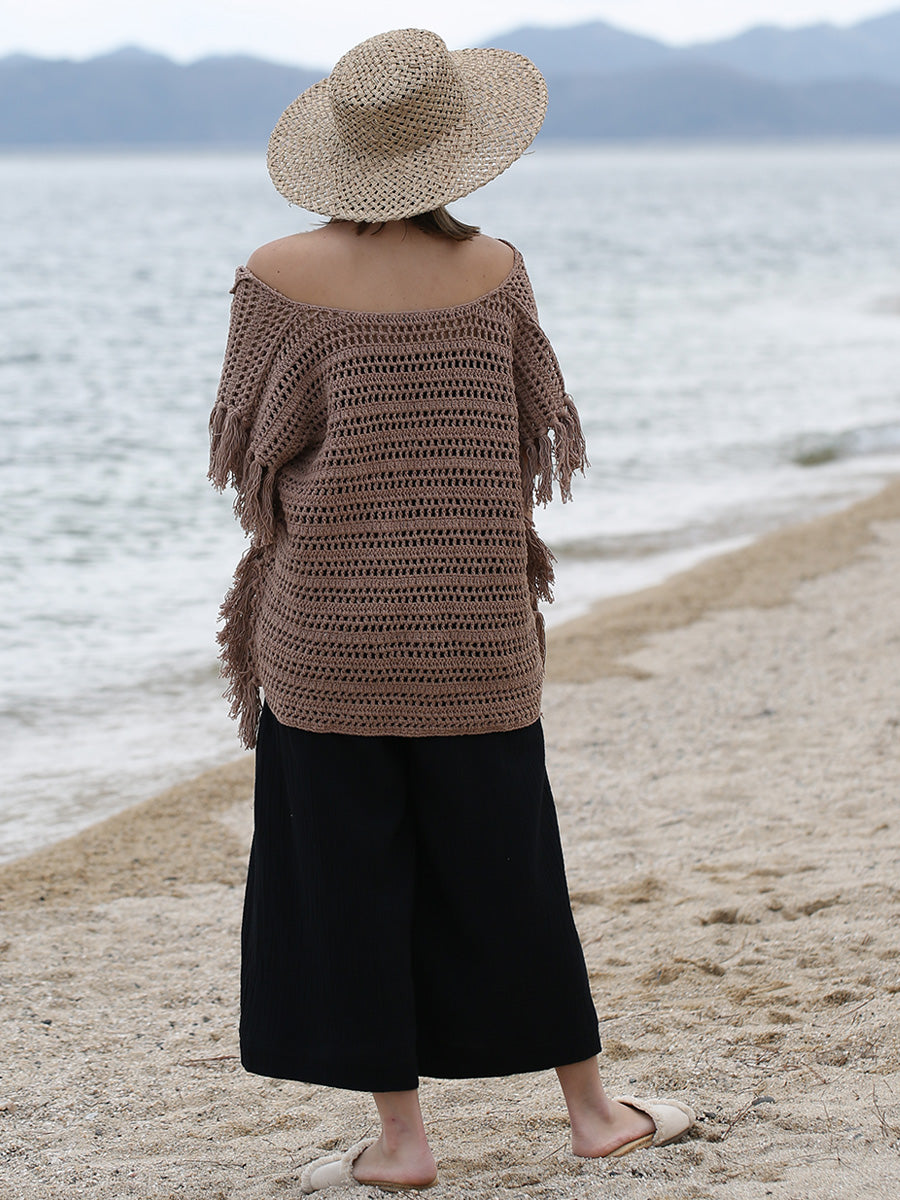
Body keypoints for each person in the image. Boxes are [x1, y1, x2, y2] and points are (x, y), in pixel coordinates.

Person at [209, 27, 694, 1194]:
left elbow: (253, 454)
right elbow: (528, 437)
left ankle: (403, 1141)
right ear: (455, 148)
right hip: (476, 635)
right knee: (509, 872)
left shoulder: (273, 275)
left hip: (329, 638)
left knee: (345, 880)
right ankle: (593, 1114)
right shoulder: (496, 270)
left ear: (342, 152)